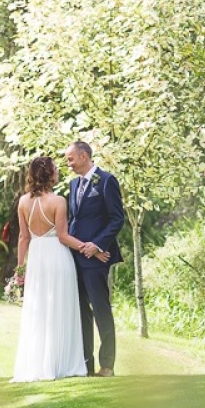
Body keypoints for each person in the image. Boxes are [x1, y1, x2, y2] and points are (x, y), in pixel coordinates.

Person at [10, 156, 104, 382]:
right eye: (55, 170)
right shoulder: (58, 201)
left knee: (39, 310)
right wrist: (91, 248)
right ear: (48, 174)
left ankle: (40, 364)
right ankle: (61, 363)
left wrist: (20, 270)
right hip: (57, 258)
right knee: (61, 308)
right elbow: (63, 237)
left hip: (37, 259)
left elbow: (23, 238)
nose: (58, 173)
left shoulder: (23, 202)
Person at [64, 141, 125, 377]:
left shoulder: (107, 180)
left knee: (101, 310)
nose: (68, 164)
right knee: (81, 313)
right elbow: (73, 221)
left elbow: (116, 219)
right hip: (75, 258)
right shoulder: (73, 184)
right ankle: (85, 366)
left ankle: (107, 365)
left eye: (70, 159)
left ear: (83, 156)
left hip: (97, 259)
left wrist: (97, 245)